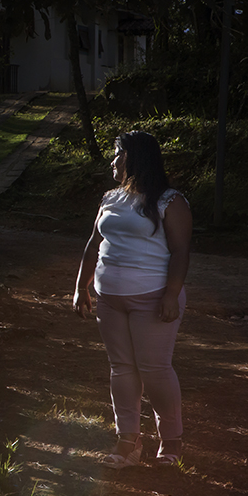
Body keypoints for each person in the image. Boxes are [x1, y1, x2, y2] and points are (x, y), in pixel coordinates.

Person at [74, 131, 192, 468]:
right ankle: (129, 439)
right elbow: (93, 243)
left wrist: (171, 294)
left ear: (135, 158)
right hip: (109, 298)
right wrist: (80, 286)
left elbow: (182, 251)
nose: (113, 161)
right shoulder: (110, 198)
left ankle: (171, 441)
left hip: (153, 298)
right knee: (122, 369)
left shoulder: (170, 201)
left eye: (118, 154)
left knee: (154, 370)